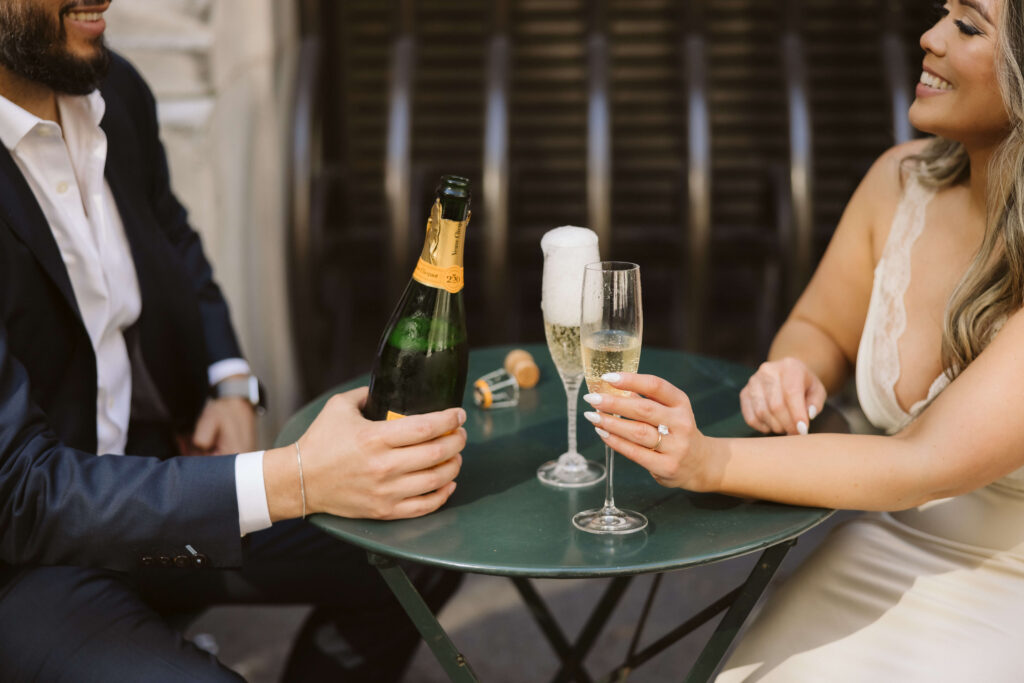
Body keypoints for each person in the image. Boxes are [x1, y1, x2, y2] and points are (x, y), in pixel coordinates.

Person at [0, 1, 466, 680]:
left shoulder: (112, 87)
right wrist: (296, 478)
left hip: (153, 485)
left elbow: (172, 238)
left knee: (425, 539)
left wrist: (231, 381)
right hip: (25, 565)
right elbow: (19, 493)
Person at [579, 0, 1024, 679]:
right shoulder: (898, 181)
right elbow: (818, 327)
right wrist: (793, 369)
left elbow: (918, 463)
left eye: (968, 27)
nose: (929, 38)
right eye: (942, 13)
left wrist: (708, 461)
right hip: (881, 540)